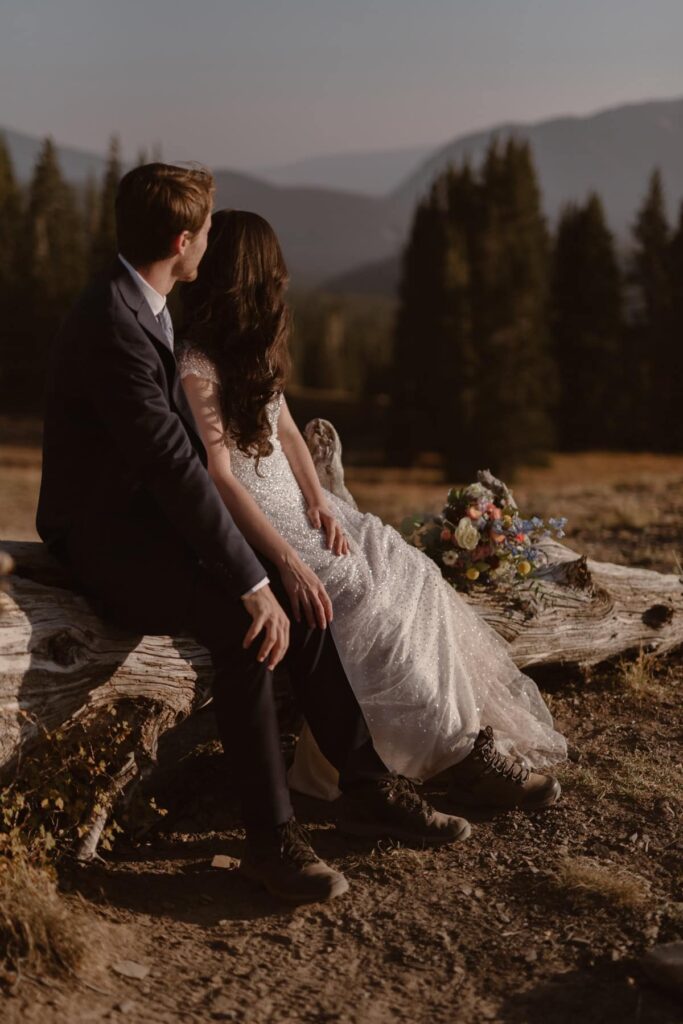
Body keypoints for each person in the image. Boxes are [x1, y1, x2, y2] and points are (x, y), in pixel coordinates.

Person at [36, 164, 476, 906]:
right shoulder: (115, 321)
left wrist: (271, 573)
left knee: (299, 604)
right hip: (102, 543)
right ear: (181, 241)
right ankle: (269, 843)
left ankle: (365, 788)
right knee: (247, 625)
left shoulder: (147, 300)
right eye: (205, 230)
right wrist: (249, 580)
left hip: (149, 525)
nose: (209, 241)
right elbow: (176, 468)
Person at [177, 209, 567, 816]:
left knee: (414, 575)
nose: (281, 283)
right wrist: (286, 557)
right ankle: (443, 761)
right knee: (361, 598)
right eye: (271, 273)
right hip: (257, 526)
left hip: (302, 510)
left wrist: (318, 502)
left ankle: (464, 741)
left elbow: (289, 438)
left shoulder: (251, 350)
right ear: (245, 276)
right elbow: (219, 475)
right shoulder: (197, 365)